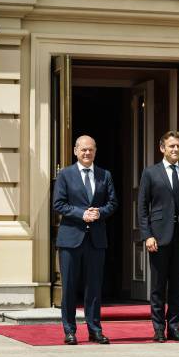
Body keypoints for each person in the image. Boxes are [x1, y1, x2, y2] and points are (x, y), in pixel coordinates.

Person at [138, 131, 179, 343]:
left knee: (177, 286)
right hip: (159, 237)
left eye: (178, 146)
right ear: (162, 148)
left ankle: (174, 327)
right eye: (171, 146)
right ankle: (158, 329)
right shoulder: (150, 173)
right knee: (158, 286)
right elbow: (142, 208)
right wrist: (147, 235)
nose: (175, 149)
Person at [53, 135, 118, 345]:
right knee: (70, 288)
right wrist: (82, 213)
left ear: (95, 151)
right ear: (75, 151)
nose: (87, 153)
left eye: (90, 149)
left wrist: (99, 212)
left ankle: (95, 329)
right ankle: (69, 331)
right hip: (71, 238)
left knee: (94, 288)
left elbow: (113, 202)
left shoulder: (104, 175)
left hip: (96, 240)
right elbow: (59, 204)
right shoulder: (65, 174)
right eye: (83, 150)